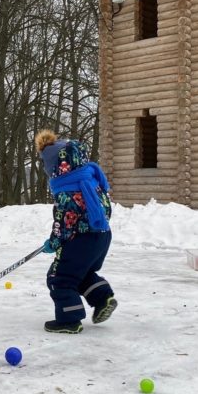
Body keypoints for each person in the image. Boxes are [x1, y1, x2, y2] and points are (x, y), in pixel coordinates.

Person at [35, 129, 117, 334]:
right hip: (102, 237)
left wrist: (54, 241)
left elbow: (64, 222)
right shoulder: (90, 181)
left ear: (55, 166)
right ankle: (102, 298)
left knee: (59, 277)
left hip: (82, 240)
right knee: (80, 273)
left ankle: (69, 319)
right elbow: (105, 210)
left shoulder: (67, 188)